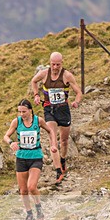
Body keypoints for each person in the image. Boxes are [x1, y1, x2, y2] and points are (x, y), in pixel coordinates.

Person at [30, 51, 83, 182]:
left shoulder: (67, 75)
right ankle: (58, 171)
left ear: (61, 63)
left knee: (64, 141)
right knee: (53, 141)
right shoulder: (44, 74)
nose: (55, 67)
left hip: (63, 110)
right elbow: (34, 81)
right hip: (49, 110)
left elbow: (78, 92)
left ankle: (63, 159)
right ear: (50, 63)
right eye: (53, 64)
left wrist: (76, 102)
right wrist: (36, 95)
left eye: (58, 64)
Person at [4, 99, 59, 220]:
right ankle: (29, 214)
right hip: (21, 158)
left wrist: (53, 144)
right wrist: (11, 143)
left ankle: (39, 209)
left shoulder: (38, 120)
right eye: (19, 112)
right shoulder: (16, 122)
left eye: (24, 111)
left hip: (35, 157)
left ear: (30, 110)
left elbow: (50, 131)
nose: (21, 114)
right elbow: (6, 136)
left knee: (32, 187)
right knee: (23, 190)